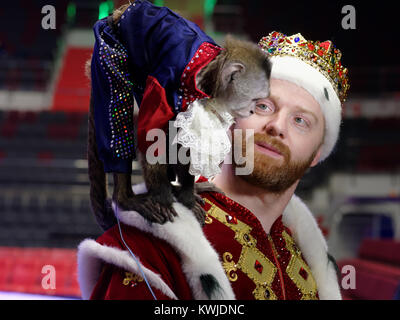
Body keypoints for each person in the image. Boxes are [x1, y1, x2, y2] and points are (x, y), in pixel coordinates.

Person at [77, 9, 350, 300]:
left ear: (317, 154)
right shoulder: (150, 246)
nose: (276, 126)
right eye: (264, 106)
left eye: (301, 121)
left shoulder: (309, 258)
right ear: (233, 113)